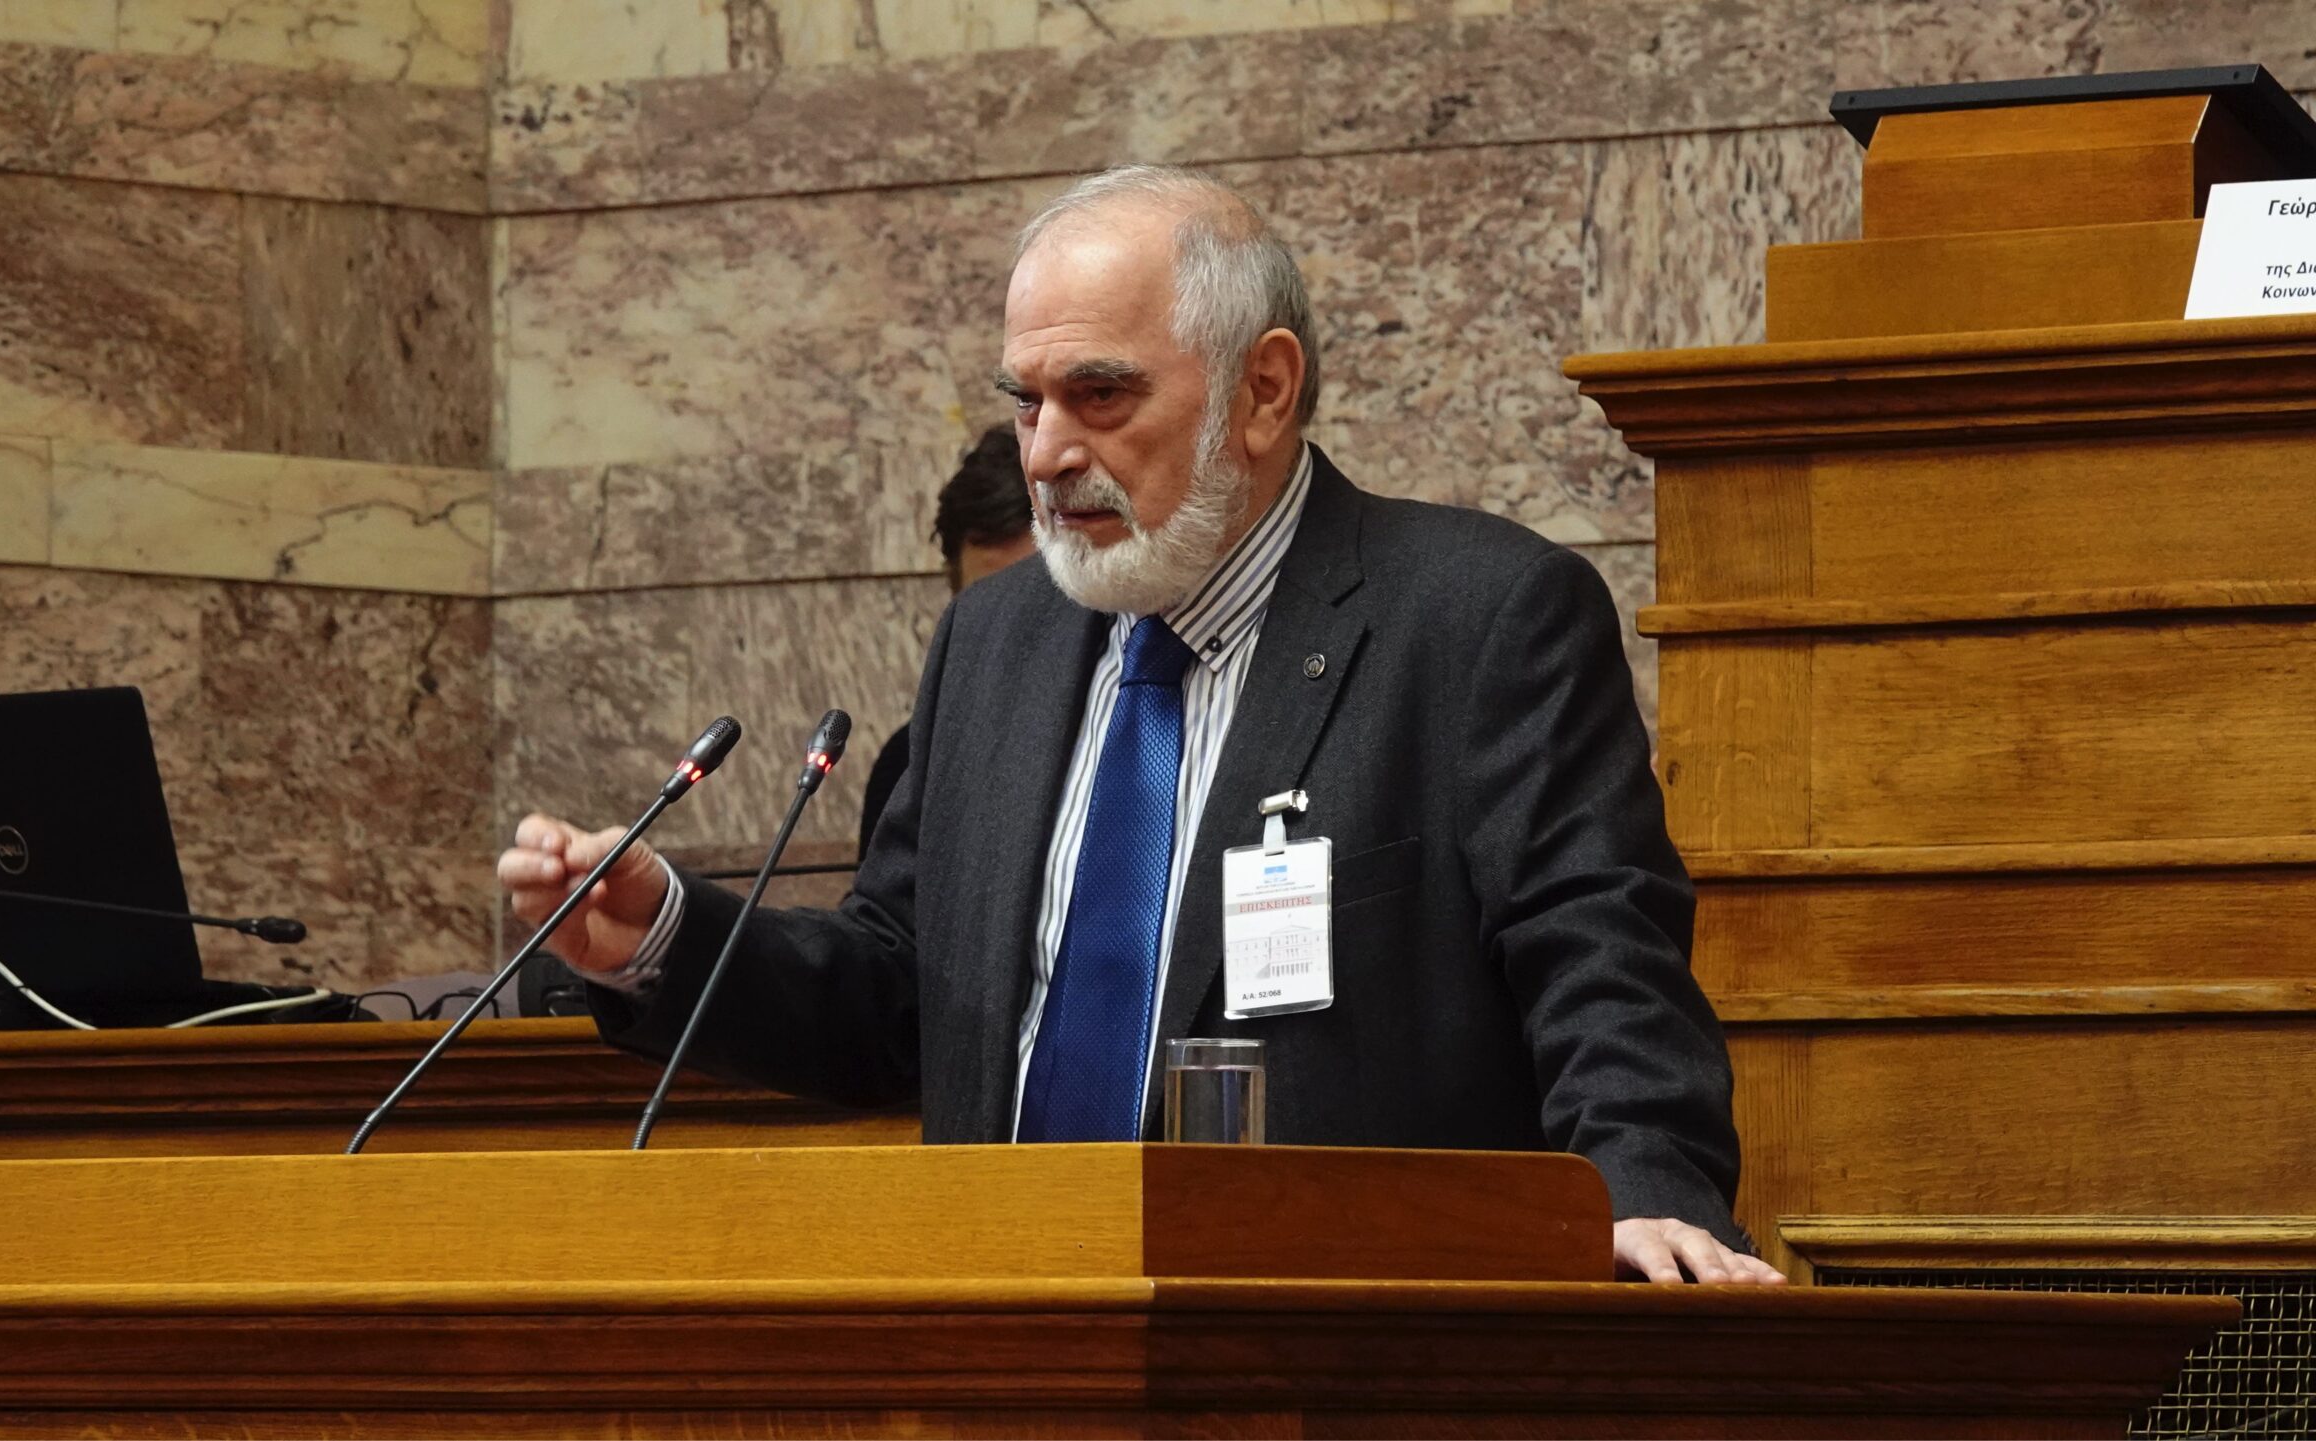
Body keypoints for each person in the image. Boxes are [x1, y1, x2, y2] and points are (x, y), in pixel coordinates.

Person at [500, 165, 1783, 1286]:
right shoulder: (992, 642)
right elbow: (899, 993)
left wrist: (1642, 1192)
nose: (1047, 452)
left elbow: (1598, 956)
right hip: (1015, 1336)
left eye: (1099, 395)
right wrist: (663, 932)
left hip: (1337, 1347)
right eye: (1027, 401)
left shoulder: (1474, 617)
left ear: (1262, 390)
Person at [859, 424, 1037, 858]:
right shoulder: (914, 764)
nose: (1014, 633)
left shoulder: (1142, 744)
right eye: (990, 605)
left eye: (1040, 603)